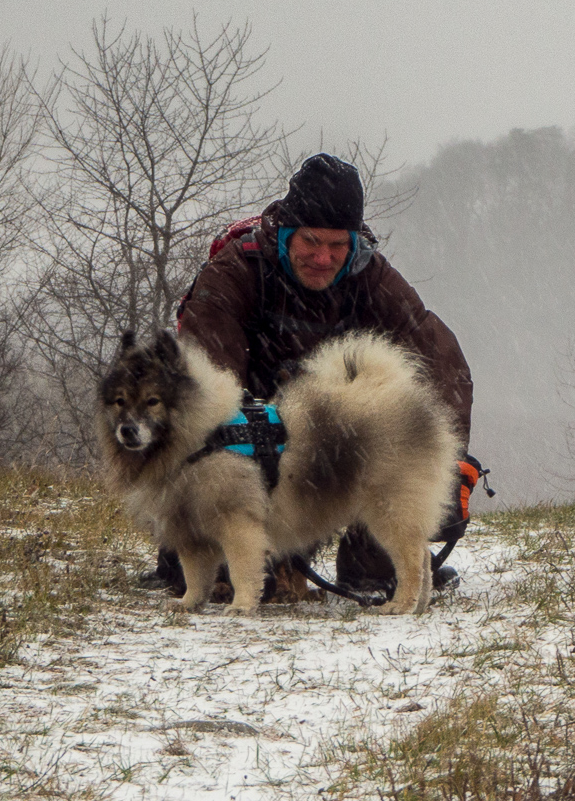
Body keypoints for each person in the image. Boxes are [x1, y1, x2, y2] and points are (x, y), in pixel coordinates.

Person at [153, 152, 475, 599]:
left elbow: (439, 360)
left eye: (337, 245)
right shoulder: (235, 271)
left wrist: (449, 459)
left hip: (334, 446)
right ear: (286, 231)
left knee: (388, 541)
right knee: (205, 551)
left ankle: (369, 565)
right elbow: (206, 379)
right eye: (310, 241)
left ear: (355, 242)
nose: (323, 257)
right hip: (251, 448)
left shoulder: (372, 277)